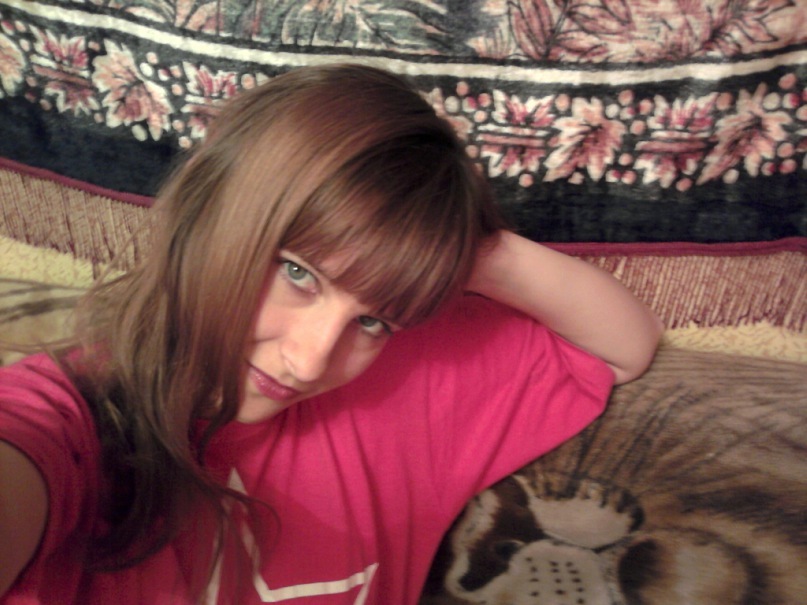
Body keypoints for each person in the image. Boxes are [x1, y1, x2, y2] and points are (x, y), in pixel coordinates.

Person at [0, 64, 663, 604]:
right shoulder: (62, 420)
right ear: (209, 211)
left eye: (372, 321)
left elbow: (620, 346)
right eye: (297, 273)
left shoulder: (405, 393)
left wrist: (451, 245)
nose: (310, 360)